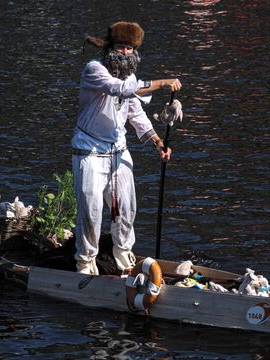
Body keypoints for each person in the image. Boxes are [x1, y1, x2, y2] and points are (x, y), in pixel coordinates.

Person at [71, 21, 182, 275]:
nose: (125, 52)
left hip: (118, 152)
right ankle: (85, 261)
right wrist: (162, 82)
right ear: (111, 46)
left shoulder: (131, 78)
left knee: (127, 209)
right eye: (121, 46)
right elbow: (117, 89)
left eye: (130, 48)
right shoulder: (94, 70)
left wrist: (157, 141)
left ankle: (122, 253)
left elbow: (135, 112)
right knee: (91, 211)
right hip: (89, 152)